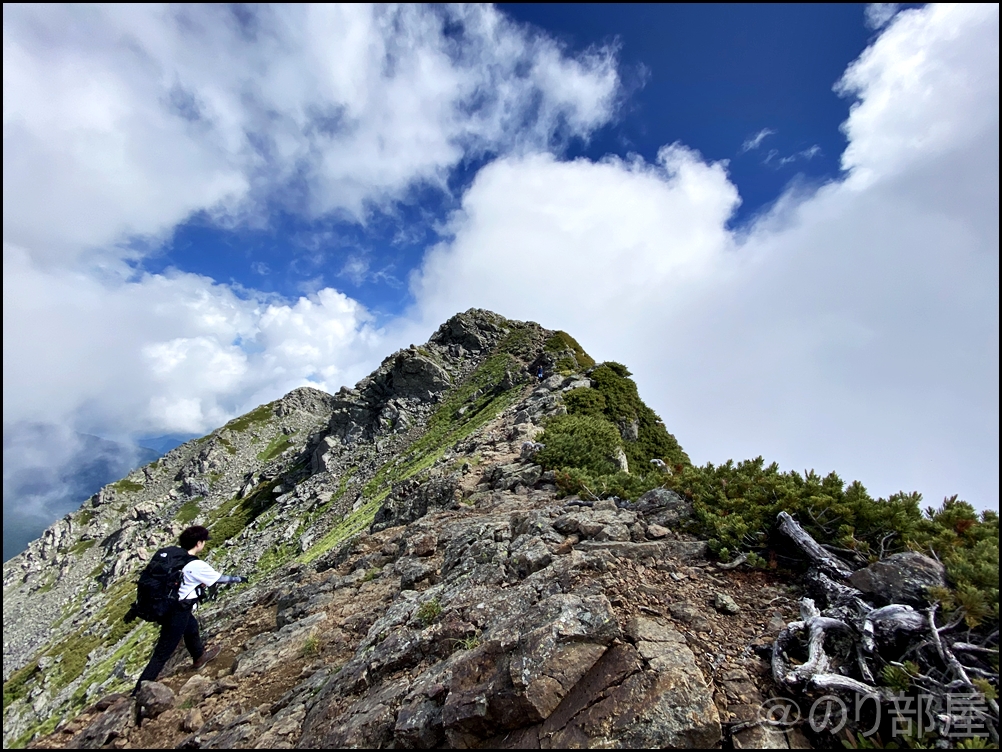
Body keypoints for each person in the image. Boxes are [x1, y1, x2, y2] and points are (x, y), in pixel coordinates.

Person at [133, 525, 246, 693]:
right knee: (162, 652)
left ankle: (199, 657)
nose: (204, 544)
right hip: (177, 611)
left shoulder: (172, 555)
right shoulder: (195, 565)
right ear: (198, 543)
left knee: (191, 627)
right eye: (204, 542)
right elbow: (219, 579)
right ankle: (139, 691)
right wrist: (239, 579)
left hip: (166, 606)